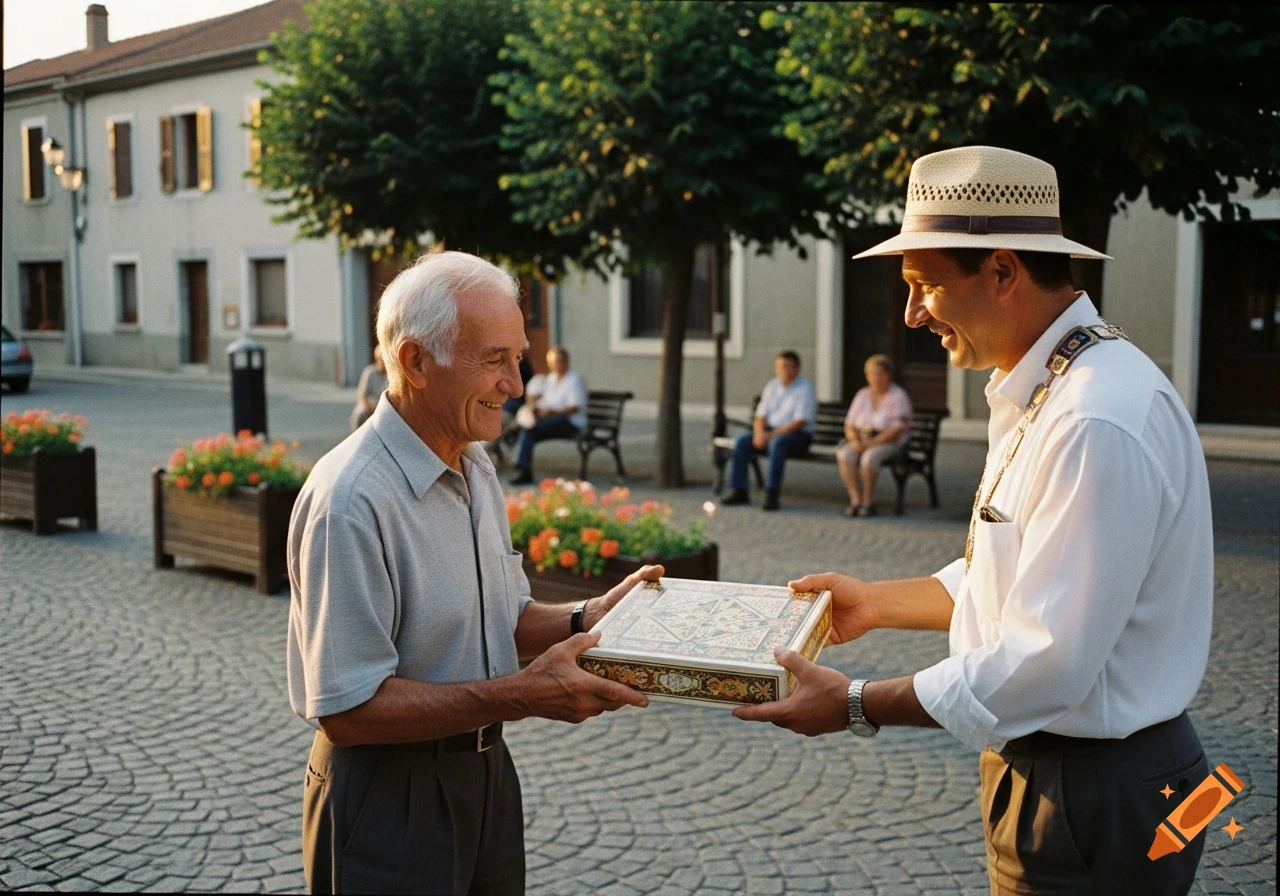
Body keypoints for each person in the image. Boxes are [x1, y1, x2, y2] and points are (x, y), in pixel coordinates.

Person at [734, 146, 1213, 895]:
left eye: (925, 285)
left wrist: (856, 702)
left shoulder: (1090, 416)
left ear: (1001, 271)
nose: (911, 314)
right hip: (1094, 782)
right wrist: (879, 602)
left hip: (1096, 793)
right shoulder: (1053, 387)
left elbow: (1043, 656)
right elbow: (1020, 573)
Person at [287, 251, 659, 895]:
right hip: (387, 794)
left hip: (485, 775)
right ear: (414, 362)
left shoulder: (473, 463)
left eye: (517, 357)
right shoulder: (350, 500)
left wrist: (587, 616)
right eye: (493, 359)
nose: (516, 384)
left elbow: (501, 618)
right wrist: (516, 696)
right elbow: (346, 711)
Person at [721, 350, 818, 511]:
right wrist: (759, 433)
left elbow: (800, 422)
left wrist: (770, 435)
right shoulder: (772, 386)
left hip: (797, 436)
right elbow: (760, 416)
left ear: (797, 368)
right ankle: (739, 491)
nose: (784, 370)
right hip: (770, 432)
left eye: (788, 366)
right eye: (780, 366)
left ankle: (772, 494)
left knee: (777, 444)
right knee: (741, 442)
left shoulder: (805, 388)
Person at [837, 354, 913, 517]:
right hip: (862, 439)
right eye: (870, 373)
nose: (874, 378)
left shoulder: (898, 396)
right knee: (845, 454)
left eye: (879, 373)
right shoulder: (862, 394)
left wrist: (871, 443)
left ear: (888, 375)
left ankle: (868, 500)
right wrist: (854, 440)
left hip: (889, 441)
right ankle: (855, 500)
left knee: (870, 458)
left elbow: (897, 429)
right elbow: (849, 423)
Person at [509, 346, 587, 486]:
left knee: (529, 427)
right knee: (527, 427)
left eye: (555, 363)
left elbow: (574, 407)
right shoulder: (551, 378)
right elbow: (546, 399)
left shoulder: (574, 379)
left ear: (565, 362)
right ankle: (522, 469)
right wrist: (535, 405)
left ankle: (521, 468)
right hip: (549, 419)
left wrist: (551, 413)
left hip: (569, 422)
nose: (552, 366)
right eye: (550, 363)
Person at [348, 344, 387, 432]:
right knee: (360, 414)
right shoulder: (370, 372)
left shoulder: (391, 375)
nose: (383, 363)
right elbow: (362, 396)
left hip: (384, 406)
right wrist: (371, 408)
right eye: (381, 360)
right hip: (370, 405)